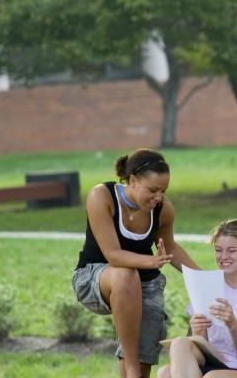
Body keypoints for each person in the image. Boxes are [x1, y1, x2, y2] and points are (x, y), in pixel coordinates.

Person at [72, 148, 200, 378]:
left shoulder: (163, 209)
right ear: (132, 180)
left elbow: (169, 247)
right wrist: (151, 261)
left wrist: (203, 278)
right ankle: (130, 366)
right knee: (125, 275)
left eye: (163, 191)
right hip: (95, 278)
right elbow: (113, 255)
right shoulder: (102, 197)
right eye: (152, 190)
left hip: (145, 285)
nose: (158, 197)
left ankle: (135, 370)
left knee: (142, 370)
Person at [160, 218, 237, 378]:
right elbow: (201, 345)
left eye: (231, 250)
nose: (223, 257)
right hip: (215, 361)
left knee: (212, 377)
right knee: (177, 349)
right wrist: (199, 331)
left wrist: (233, 324)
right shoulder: (206, 285)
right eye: (218, 250)